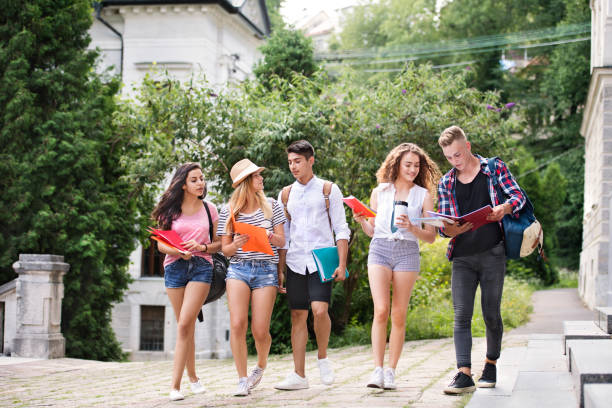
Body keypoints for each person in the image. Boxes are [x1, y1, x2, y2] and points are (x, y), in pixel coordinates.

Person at [436, 126, 525, 394]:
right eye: (450, 157)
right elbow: (444, 226)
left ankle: (490, 364)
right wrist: (451, 229)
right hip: (462, 257)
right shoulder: (446, 182)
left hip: (492, 253)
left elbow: (518, 196)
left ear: (469, 146)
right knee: (461, 314)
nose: (455, 161)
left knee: (490, 313)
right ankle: (464, 373)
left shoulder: (494, 169)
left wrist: (505, 208)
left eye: (459, 154)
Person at [354, 142, 440, 390]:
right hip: (380, 248)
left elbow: (431, 236)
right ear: (397, 165)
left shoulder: (423, 195)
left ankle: (391, 371)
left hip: (407, 251)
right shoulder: (379, 192)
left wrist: (413, 227)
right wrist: (362, 221)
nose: (413, 169)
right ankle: (377, 370)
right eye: (408, 165)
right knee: (380, 310)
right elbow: (372, 231)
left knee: (398, 313)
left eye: (416, 165)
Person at [274, 140, 351, 390]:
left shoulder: (329, 189)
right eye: (290, 162)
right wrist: (280, 269)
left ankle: (322, 357)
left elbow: (341, 228)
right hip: (295, 261)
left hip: (321, 262)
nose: (293, 167)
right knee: (298, 315)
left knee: (319, 310)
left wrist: (341, 263)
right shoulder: (285, 194)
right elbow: (283, 235)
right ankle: (299, 375)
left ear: (311, 161)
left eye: (298, 161)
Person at [151, 162, 222, 401]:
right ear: (183, 184)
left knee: (183, 324)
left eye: (202, 178)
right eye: (194, 179)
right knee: (186, 326)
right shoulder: (169, 211)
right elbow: (160, 244)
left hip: (202, 267)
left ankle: (175, 385)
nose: (201, 182)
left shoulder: (210, 209)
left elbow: (219, 244)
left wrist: (201, 247)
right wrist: (177, 251)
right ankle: (193, 377)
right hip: (174, 267)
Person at [216, 158, 286, 396]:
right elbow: (224, 250)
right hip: (238, 269)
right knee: (237, 324)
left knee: (260, 331)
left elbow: (282, 240)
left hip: (266, 270)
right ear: (246, 182)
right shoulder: (229, 211)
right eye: (257, 176)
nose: (261, 178)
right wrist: (235, 244)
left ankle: (261, 365)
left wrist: (267, 235)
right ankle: (242, 379)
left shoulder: (272, 206)